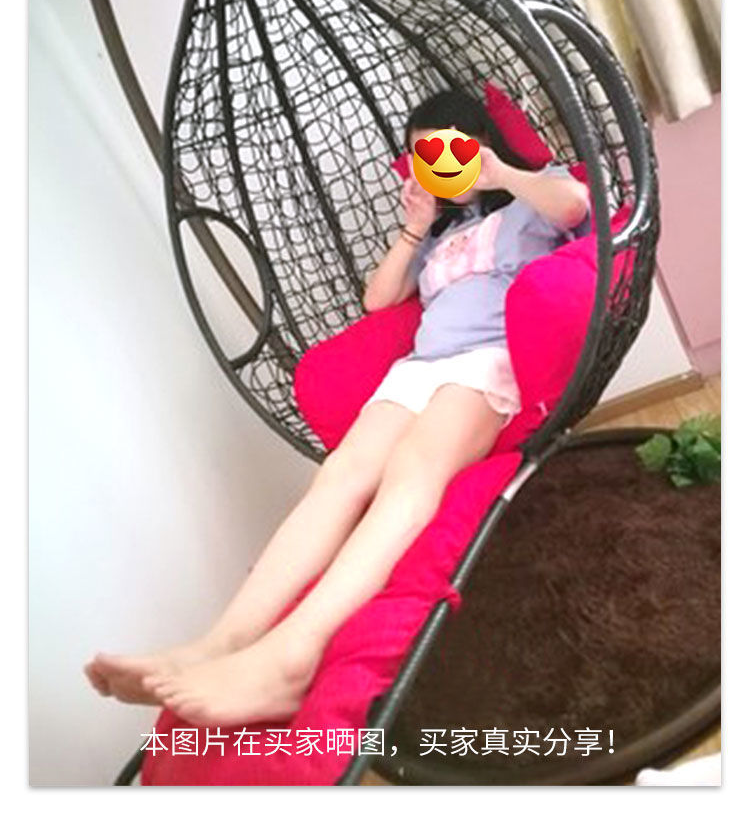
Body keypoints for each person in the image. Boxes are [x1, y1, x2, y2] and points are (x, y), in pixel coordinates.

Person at [84, 89, 590, 727]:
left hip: (486, 360)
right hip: (422, 367)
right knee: (340, 477)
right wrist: (416, 225)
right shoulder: (440, 237)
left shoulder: (527, 203)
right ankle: (221, 642)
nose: (438, 165)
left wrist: (501, 173)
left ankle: (293, 657)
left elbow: (576, 205)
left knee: (410, 473)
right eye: (422, 158)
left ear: (478, 142)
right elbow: (380, 299)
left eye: (449, 151)